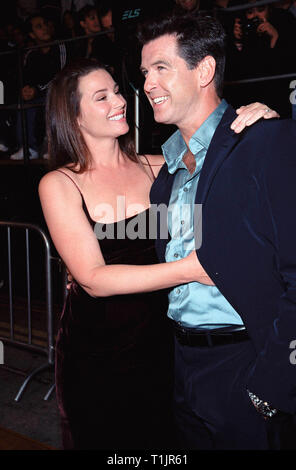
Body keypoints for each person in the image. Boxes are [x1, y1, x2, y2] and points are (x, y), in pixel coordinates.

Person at [38, 56, 275, 449]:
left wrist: (259, 119)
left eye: (116, 91)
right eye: (102, 97)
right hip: (97, 353)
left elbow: (232, 155)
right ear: (73, 116)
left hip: (164, 348)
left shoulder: (160, 166)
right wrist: (193, 269)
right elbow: (94, 279)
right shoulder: (60, 183)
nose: (119, 101)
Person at [138, 12, 296, 449]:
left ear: (205, 70)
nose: (148, 83)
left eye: (161, 68)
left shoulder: (264, 140)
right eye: (145, 72)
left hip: (247, 365)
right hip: (184, 368)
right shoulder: (165, 178)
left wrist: (274, 387)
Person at [10, 13, 68, 160]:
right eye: (39, 26)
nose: (45, 29)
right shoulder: (30, 54)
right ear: (31, 34)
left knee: (55, 97)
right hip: (39, 94)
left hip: (61, 91)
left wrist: (37, 90)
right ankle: (29, 148)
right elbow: (25, 79)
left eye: (46, 24)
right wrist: (26, 90)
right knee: (24, 100)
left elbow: (61, 76)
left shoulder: (60, 46)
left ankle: (55, 145)